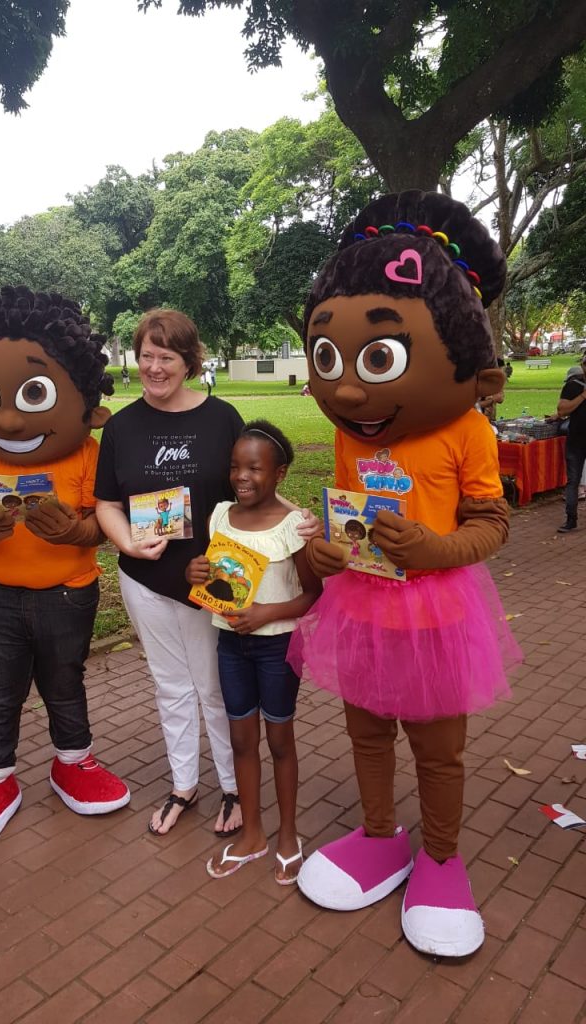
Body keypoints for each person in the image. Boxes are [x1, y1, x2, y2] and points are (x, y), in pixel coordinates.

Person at [289, 191, 523, 957]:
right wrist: (326, 547)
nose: (349, 388)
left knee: (438, 746)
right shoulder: (353, 433)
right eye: (330, 358)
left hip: (440, 613)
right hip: (363, 606)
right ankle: (380, 835)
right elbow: (349, 506)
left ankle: (443, 859)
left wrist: (434, 549)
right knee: (366, 733)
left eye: (376, 357)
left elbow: (491, 522)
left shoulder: (467, 430)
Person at [95, 309, 318, 837]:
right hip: (145, 579)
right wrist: (129, 542)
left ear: (188, 361)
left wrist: (296, 515)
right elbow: (106, 502)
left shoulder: (220, 418)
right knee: (169, 686)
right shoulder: (122, 427)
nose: (154, 367)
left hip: (214, 581)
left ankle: (234, 790)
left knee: (215, 689)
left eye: (166, 357)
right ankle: (183, 785)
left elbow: (252, 479)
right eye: (146, 356)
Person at [0, 287, 130, 850]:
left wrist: (75, 531)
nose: (10, 418)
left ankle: (74, 762)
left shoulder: (88, 452)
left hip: (67, 592)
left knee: (65, 683)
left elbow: (101, 522)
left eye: (34, 392)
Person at [186, 421, 321, 883]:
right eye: (235, 466)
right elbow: (215, 575)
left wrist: (267, 613)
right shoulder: (220, 515)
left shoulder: (295, 526)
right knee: (242, 740)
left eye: (255, 468)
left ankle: (288, 834)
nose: (242, 476)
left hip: (278, 647)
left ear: (279, 473)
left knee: (280, 741)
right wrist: (195, 571)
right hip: (230, 644)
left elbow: (313, 594)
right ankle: (253, 833)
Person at [556, 356, 586, 531]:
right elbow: (562, 410)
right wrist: (583, 396)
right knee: (573, 480)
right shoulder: (574, 386)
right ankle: (571, 519)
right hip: (576, 440)